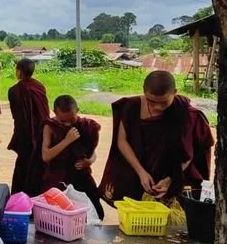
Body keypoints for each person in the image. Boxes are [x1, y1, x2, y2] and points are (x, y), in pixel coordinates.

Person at [99, 70, 214, 204]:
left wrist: (171, 178)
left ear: (174, 92)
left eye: (164, 103)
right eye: (151, 102)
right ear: (144, 91)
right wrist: (141, 172)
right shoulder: (132, 107)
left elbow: (188, 152)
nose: (157, 107)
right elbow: (122, 141)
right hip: (137, 170)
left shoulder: (185, 113)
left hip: (172, 172)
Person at [41, 96, 104, 219]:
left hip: (81, 176)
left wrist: (89, 161)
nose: (68, 124)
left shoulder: (87, 126)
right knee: (57, 216)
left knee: (96, 213)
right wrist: (67, 140)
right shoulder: (50, 127)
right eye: (63, 121)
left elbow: (91, 153)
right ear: (55, 113)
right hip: (58, 177)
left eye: (72, 120)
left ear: (77, 111)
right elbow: (46, 156)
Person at [8, 58, 50, 196]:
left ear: (19, 72)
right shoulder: (40, 86)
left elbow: (17, 116)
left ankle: (19, 197)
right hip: (42, 132)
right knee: (38, 165)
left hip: (25, 134)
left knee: (23, 166)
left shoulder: (14, 91)